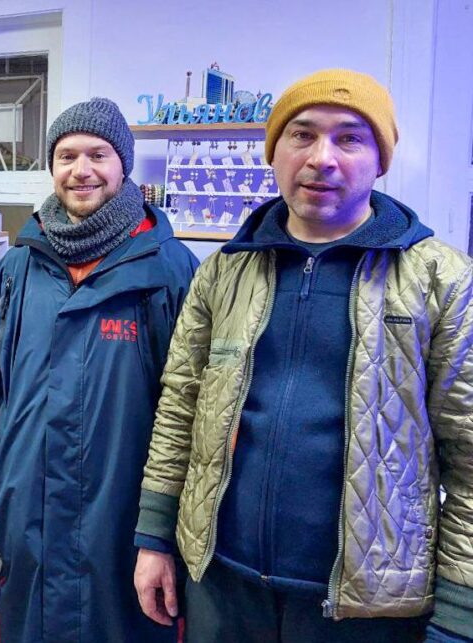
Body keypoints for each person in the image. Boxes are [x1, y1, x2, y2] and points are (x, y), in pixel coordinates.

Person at [133, 69, 473, 643]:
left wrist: (460, 609)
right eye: (302, 135)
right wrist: (155, 537)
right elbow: (180, 410)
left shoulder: (440, 279)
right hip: (221, 584)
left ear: (380, 160)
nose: (322, 158)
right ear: (274, 151)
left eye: (350, 138)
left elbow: (468, 452)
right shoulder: (224, 270)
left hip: (366, 608)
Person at [0, 97, 198, 642]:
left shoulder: (169, 271)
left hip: (125, 521)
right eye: (67, 156)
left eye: (98, 154)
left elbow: (192, 412)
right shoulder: (18, 268)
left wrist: (165, 529)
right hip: (28, 510)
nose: (81, 170)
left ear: (124, 165)